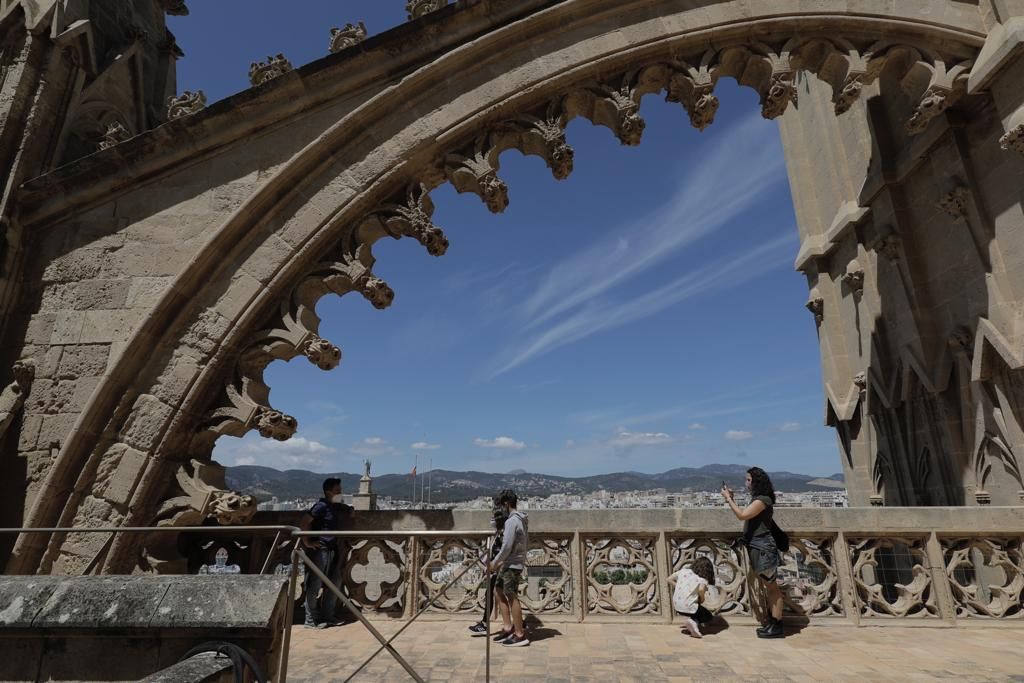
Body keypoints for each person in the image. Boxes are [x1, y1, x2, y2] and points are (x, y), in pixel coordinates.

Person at [721, 467, 784, 639]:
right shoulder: (758, 499)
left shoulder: (763, 500)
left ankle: (777, 625)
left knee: (772, 587)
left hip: (763, 547)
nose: (746, 483)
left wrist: (728, 499)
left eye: (748, 480)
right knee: (768, 586)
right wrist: (732, 498)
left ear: (757, 481)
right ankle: (772, 623)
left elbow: (743, 515)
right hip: (758, 547)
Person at [300, 477, 354, 629]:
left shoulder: (333, 505)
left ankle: (328, 616)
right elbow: (305, 521)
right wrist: (307, 542)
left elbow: (344, 508)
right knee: (315, 584)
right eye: (338, 491)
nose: (340, 493)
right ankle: (310, 619)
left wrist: (350, 510)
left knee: (334, 583)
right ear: (329, 491)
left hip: (332, 548)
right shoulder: (321, 506)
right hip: (321, 549)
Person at [487, 488, 530, 647]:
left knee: (511, 596)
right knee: (497, 591)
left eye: (500, 505)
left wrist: (494, 563)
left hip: (512, 563)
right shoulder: (518, 519)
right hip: (510, 563)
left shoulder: (513, 521)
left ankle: (520, 634)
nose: (500, 509)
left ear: (506, 503)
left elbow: (506, 547)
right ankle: (508, 627)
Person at [469, 499, 508, 636]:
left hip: (499, 569)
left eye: (493, 517)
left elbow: (503, 552)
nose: (491, 519)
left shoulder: (502, 534)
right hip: (497, 569)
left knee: (503, 596)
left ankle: (488, 624)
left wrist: (493, 565)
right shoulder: (499, 532)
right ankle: (514, 623)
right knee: (501, 596)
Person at [671, 556, 716, 638]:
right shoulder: (702, 579)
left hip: (676, 606)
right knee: (708, 616)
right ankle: (693, 622)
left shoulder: (684, 571)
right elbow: (702, 590)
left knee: (695, 609)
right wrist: (702, 598)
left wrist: (678, 586)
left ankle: (692, 625)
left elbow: (669, 579)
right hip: (688, 607)